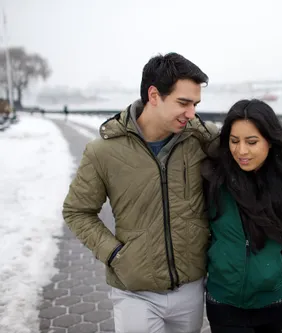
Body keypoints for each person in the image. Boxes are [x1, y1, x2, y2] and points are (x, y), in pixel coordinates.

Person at [62, 52, 219, 333]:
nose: (191, 113)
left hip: (192, 287)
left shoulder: (200, 139)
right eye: (183, 103)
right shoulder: (103, 151)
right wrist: (115, 254)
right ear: (154, 95)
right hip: (134, 291)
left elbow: (250, 154)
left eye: (195, 104)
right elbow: (77, 211)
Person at [201, 99, 282, 333]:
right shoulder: (214, 180)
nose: (241, 151)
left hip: (276, 301)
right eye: (234, 141)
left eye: (252, 141)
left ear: (270, 141)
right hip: (224, 301)